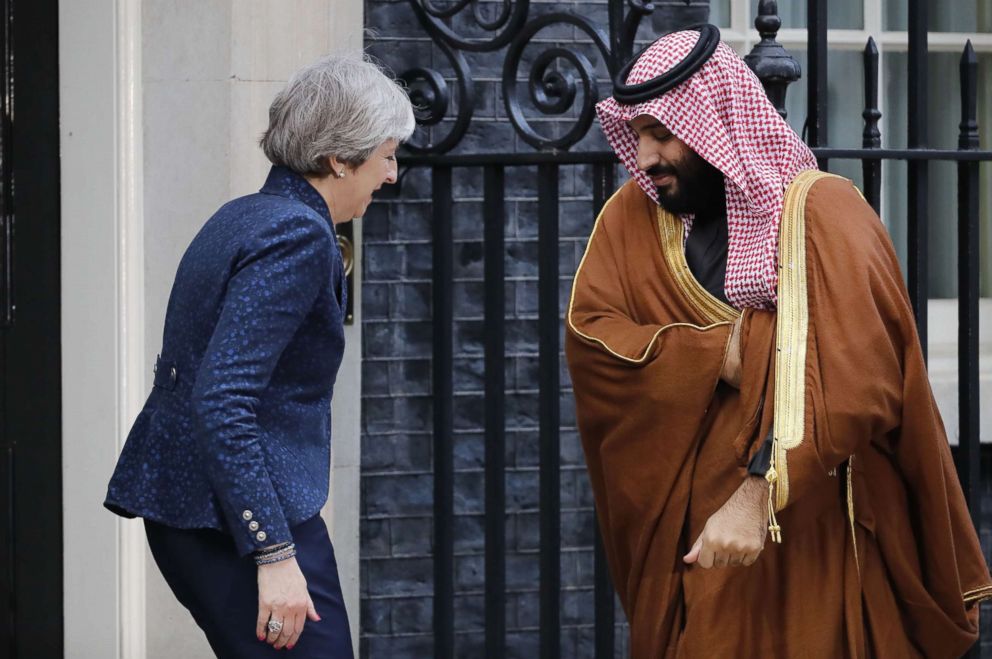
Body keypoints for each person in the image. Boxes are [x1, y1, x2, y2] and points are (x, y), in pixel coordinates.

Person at [565, 25, 992, 658]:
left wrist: (756, 495)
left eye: (661, 134)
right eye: (637, 137)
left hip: (816, 534)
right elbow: (594, 343)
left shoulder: (824, 211)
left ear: (712, 119)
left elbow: (861, 374)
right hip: (697, 545)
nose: (645, 157)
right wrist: (720, 352)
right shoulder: (631, 220)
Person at [105, 54, 414, 657]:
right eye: (386, 155)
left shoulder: (244, 215)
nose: (392, 173)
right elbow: (222, 397)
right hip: (237, 517)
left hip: (196, 506)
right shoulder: (296, 235)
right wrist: (272, 551)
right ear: (339, 159)